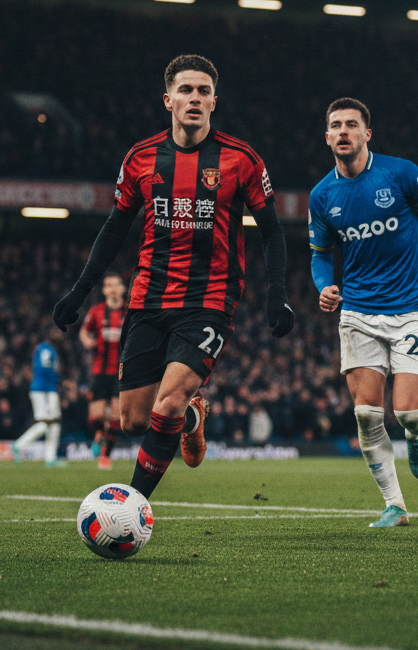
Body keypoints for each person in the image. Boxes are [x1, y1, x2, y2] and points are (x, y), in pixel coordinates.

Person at [53, 54, 293, 498]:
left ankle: (132, 506)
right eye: (186, 90)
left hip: (211, 299)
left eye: (204, 91)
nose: (195, 98)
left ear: (215, 101)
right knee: (133, 422)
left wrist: (277, 291)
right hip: (148, 298)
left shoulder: (241, 160)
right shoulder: (141, 158)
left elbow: (273, 231)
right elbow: (114, 229)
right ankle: (194, 416)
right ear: (168, 100)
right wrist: (79, 291)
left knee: (168, 403)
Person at [309, 99, 418, 527]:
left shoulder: (400, 173)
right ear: (327, 137)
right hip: (359, 312)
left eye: (351, 124)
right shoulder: (321, 196)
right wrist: (324, 286)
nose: (343, 131)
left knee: (407, 413)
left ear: (368, 133)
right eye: (335, 125)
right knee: (366, 414)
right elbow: (319, 255)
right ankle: (395, 505)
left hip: (411, 309)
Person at [79, 273, 127, 470]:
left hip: (122, 371)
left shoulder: (130, 311)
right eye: (109, 285)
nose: (113, 288)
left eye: (116, 285)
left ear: (123, 289)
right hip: (100, 370)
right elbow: (84, 331)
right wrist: (87, 340)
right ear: (105, 290)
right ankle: (99, 433)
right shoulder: (97, 311)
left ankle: (106, 456)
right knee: (96, 418)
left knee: (116, 414)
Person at [12, 332, 64, 466]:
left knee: (55, 422)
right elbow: (45, 368)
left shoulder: (47, 349)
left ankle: (50, 458)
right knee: (45, 423)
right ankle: (18, 445)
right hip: (43, 390)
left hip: (48, 389)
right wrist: (58, 380)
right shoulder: (45, 349)